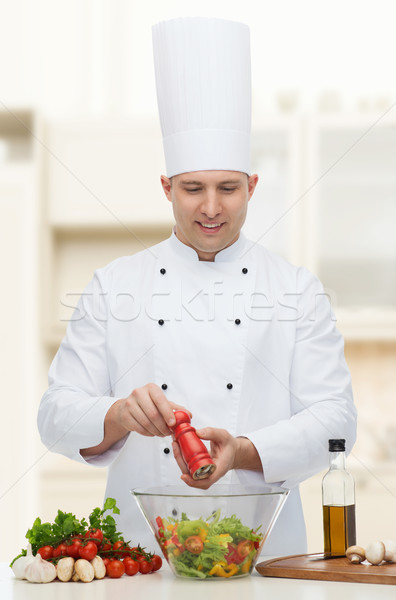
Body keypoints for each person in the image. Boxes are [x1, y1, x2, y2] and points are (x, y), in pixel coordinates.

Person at [38, 17, 357, 555]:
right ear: (166, 187)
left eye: (228, 187)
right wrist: (115, 416)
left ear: (253, 186)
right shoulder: (114, 285)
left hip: (265, 561)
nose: (211, 207)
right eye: (193, 189)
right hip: (140, 562)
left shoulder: (296, 289)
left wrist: (246, 449)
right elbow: (53, 416)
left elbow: (338, 421)